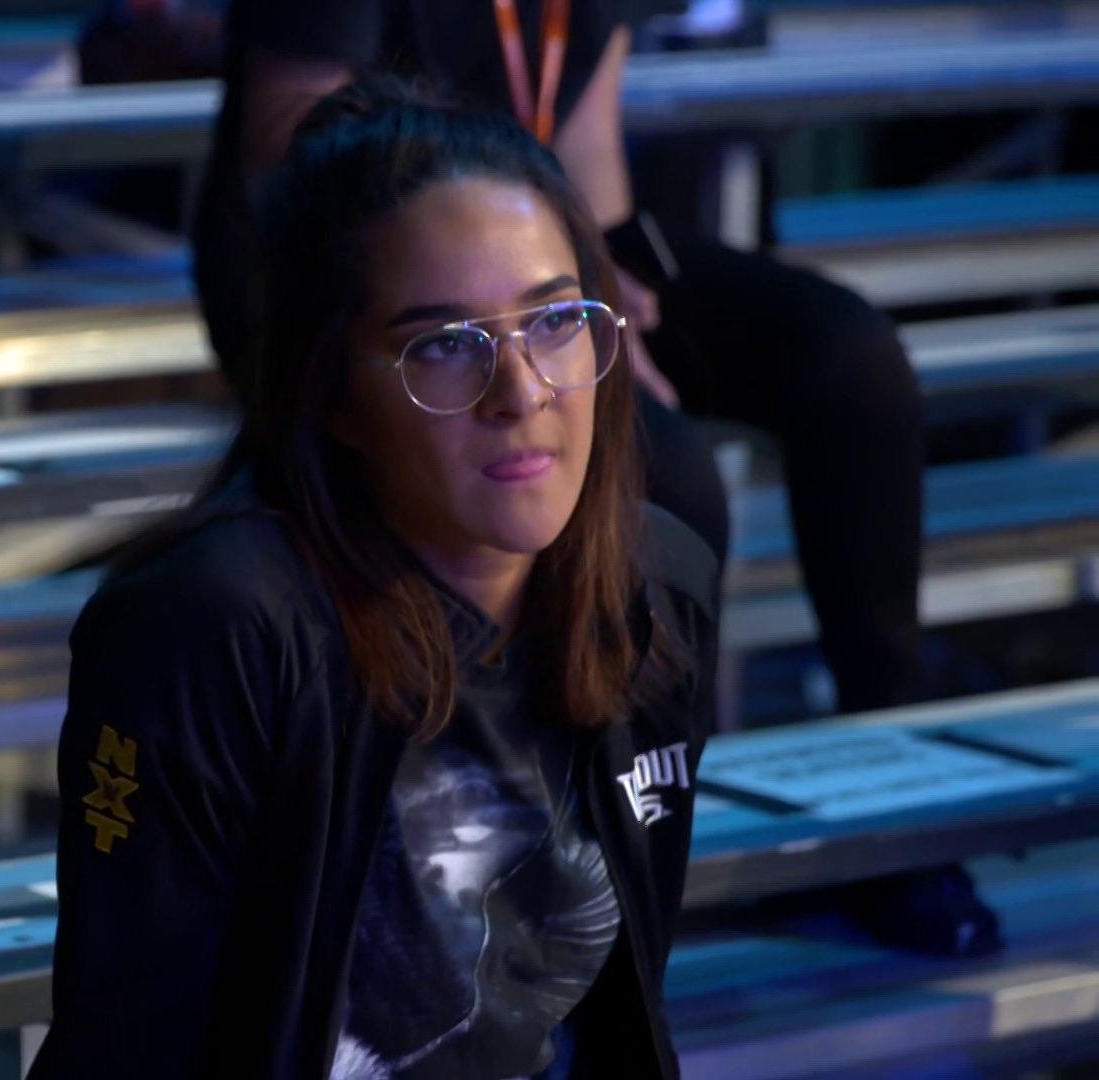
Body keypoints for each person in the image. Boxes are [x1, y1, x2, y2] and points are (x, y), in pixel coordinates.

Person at [188, 0, 999, 958]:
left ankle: (889, 791)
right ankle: (604, 823)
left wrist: (578, 287)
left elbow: (582, 145)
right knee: (663, 477)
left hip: (535, 233)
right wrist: (541, 312)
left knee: (852, 364)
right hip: (373, 261)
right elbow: (291, 165)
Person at [30, 77, 718, 1079]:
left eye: (554, 321)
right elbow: (133, 1050)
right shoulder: (212, 628)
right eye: (444, 345)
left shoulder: (661, 582)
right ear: (332, 395)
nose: (521, 391)